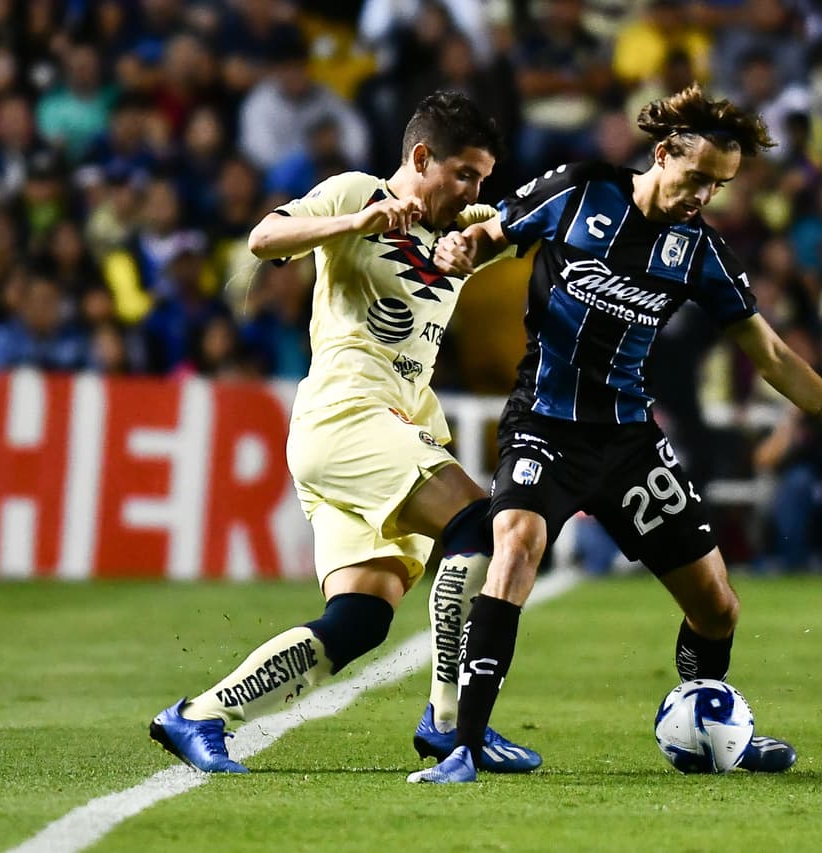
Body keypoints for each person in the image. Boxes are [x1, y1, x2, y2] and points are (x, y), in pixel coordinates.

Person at [409, 84, 822, 784]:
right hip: (545, 423)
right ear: (662, 154)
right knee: (517, 546)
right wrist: (468, 244)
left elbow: (770, 356)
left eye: (719, 186)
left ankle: (716, 732)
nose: (704, 196)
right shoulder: (582, 190)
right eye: (697, 178)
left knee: (717, 608)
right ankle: (464, 744)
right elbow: (494, 231)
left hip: (627, 441)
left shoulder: (701, 253)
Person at [148, 91, 541, 775]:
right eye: (465, 173)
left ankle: (200, 715)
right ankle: (451, 723)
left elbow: (532, 226)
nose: (475, 190)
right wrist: (359, 220)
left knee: (360, 619)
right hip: (349, 416)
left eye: (482, 177)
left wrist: (483, 231)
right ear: (421, 157)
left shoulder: (457, 235)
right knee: (482, 524)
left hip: (378, 430)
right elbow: (263, 239)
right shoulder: (358, 192)